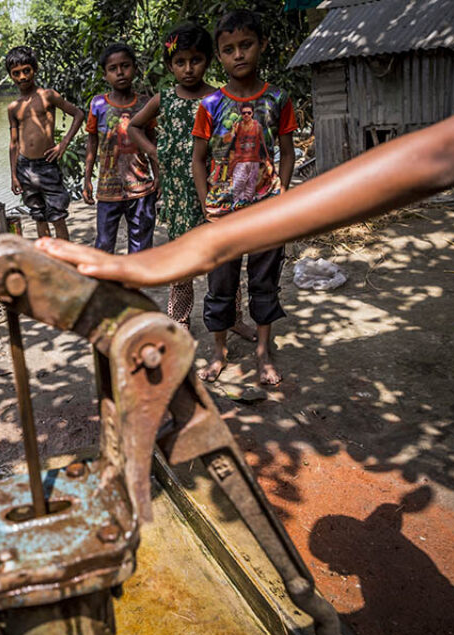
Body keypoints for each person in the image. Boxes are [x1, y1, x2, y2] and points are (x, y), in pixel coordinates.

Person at [36, 0, 454, 603]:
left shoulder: (273, 99)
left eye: (236, 49)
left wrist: (191, 247)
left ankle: (258, 349)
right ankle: (220, 343)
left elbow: (439, 155)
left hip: (245, 216)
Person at [127, 23, 255, 341]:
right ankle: (180, 319)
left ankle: (232, 317)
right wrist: (155, 153)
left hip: (218, 190)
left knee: (224, 260)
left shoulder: (219, 98)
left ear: (208, 61)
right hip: (180, 194)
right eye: (180, 62)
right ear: (170, 65)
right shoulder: (164, 99)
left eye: (195, 60)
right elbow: (133, 127)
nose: (188, 69)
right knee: (183, 259)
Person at [192, 9, 297, 385]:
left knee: (265, 283)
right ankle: (217, 351)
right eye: (229, 49)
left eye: (246, 45)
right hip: (223, 213)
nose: (239, 55)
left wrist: (282, 191)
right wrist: (206, 201)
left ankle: (263, 353)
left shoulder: (278, 99)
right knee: (220, 285)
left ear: (262, 45)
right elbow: (199, 160)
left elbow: (287, 150)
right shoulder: (210, 106)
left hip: (266, 211)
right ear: (219, 55)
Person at [82, 43, 157, 255]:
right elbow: (92, 143)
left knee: (141, 245)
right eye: (113, 69)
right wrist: (87, 179)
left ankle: (136, 286)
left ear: (134, 68)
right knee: (104, 244)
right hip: (108, 190)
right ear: (105, 75)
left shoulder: (145, 104)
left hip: (141, 187)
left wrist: (158, 176)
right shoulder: (97, 104)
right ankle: (105, 286)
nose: (120, 72)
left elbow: (152, 142)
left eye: (125, 66)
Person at [6, 46, 85, 240]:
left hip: (47, 164)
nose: (22, 77)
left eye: (26, 70)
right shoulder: (13, 108)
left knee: (57, 215)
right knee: (38, 216)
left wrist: (63, 144)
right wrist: (13, 175)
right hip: (25, 166)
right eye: (16, 73)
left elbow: (78, 114)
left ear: (34, 69)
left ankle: (65, 259)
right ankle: (46, 259)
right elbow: (14, 143)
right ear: (11, 76)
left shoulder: (48, 96)